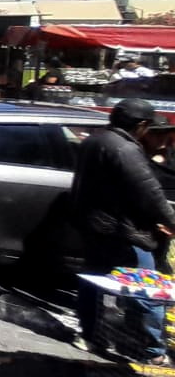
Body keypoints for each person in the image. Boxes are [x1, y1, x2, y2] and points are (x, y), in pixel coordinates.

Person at [70, 98, 175, 364]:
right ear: (140, 125)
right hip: (123, 231)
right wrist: (171, 221)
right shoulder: (125, 149)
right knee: (147, 288)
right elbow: (149, 192)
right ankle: (153, 352)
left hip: (94, 224)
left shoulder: (95, 140)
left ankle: (89, 336)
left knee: (92, 282)